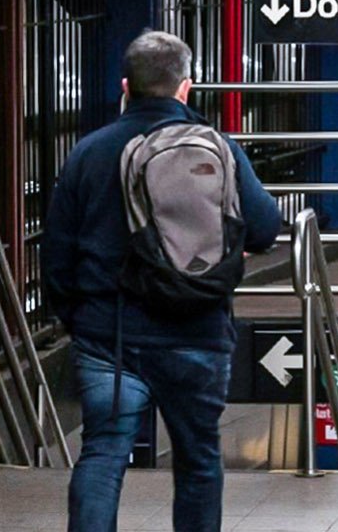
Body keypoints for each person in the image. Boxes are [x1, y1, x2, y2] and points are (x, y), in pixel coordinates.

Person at [43, 30, 283, 532]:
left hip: (110, 338)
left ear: (125, 87)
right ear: (186, 88)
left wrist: (81, 320)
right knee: (198, 461)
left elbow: (57, 255)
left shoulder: (89, 152)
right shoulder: (218, 149)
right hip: (196, 333)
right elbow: (264, 229)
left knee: (103, 457)